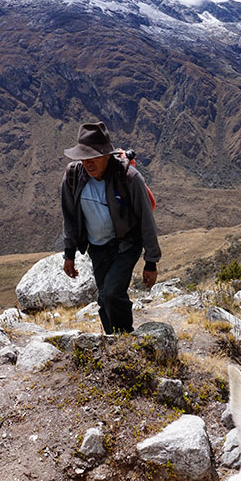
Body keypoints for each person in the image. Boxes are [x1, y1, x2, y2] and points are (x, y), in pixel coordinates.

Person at [61, 122, 161, 334]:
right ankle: (112, 338)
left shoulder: (129, 178)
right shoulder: (73, 177)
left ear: (107, 155)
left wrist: (151, 261)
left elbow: (146, 220)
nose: (88, 163)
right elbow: (69, 216)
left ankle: (124, 338)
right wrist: (68, 253)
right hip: (97, 248)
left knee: (112, 294)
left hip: (126, 245)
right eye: (84, 157)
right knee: (104, 296)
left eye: (93, 157)